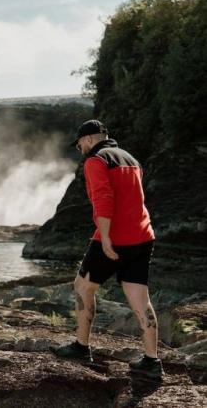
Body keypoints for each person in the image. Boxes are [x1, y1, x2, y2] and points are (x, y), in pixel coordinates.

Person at [54, 120, 163, 379]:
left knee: (82, 287)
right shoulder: (131, 159)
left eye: (79, 143)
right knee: (140, 300)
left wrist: (104, 238)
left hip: (115, 237)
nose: (79, 147)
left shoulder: (96, 160)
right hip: (142, 236)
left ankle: (81, 347)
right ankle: (152, 362)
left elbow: (104, 198)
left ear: (89, 139)